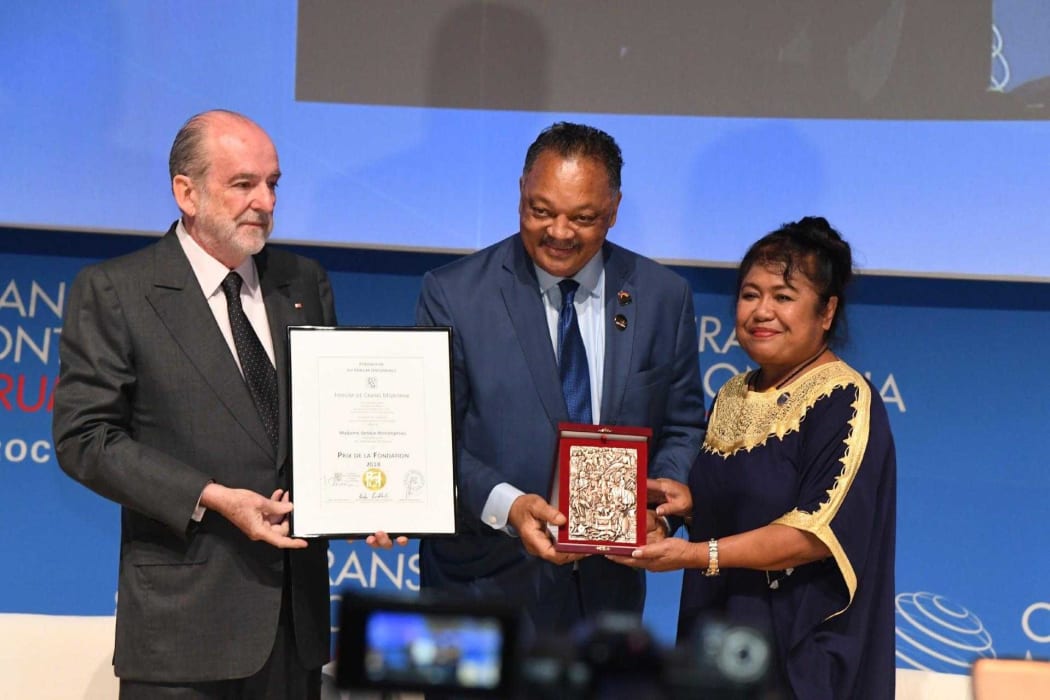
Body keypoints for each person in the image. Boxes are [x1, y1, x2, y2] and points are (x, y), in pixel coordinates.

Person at [52, 109, 398, 698]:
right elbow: (85, 438)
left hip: (295, 630)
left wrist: (367, 494)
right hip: (183, 631)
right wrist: (209, 496)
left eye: (273, 183)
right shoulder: (117, 291)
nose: (264, 201)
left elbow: (329, 430)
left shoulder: (303, 282)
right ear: (186, 192)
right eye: (243, 184)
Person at [415, 122, 706, 639]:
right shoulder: (454, 294)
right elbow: (430, 441)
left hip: (607, 596)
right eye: (541, 211)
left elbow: (682, 424)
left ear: (614, 211)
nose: (559, 232)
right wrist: (509, 506)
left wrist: (659, 507)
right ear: (521, 192)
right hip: (482, 584)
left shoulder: (664, 296)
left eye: (584, 217)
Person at [611, 217, 896, 698]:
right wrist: (687, 505)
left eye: (783, 297)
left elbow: (815, 532)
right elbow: (750, 500)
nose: (761, 311)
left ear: (826, 312)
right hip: (715, 644)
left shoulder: (843, 397)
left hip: (795, 653)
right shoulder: (733, 392)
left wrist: (698, 554)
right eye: (749, 294)